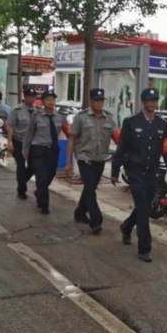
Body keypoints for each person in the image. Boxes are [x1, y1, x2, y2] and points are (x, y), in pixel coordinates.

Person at [111, 87, 167, 262]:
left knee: (145, 208)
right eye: (150, 100)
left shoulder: (162, 125)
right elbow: (121, 148)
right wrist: (115, 171)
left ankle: (126, 227)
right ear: (143, 102)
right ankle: (144, 248)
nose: (153, 103)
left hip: (151, 173)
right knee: (142, 210)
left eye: (155, 100)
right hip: (135, 172)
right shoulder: (131, 123)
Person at [66, 88, 119, 234]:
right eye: (96, 100)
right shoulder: (81, 117)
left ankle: (79, 212)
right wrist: (68, 161)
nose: (99, 103)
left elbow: (117, 136)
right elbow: (72, 139)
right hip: (84, 158)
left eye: (101, 100)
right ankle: (96, 220)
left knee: (90, 188)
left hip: (100, 159)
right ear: (91, 101)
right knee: (90, 188)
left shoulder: (109, 118)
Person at [23, 90, 67, 215]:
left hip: (53, 149)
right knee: (41, 176)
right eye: (48, 99)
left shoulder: (60, 117)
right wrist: (25, 150)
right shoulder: (36, 116)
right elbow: (29, 134)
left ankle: (40, 192)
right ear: (42, 102)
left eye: (52, 99)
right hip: (39, 149)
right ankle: (44, 205)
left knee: (51, 174)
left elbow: (69, 131)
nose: (50, 102)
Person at [6, 86, 40, 199]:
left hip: (33, 143)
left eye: (33, 96)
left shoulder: (38, 111)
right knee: (20, 166)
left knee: (33, 166)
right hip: (19, 140)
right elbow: (11, 127)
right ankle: (22, 189)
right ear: (24, 97)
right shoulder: (16, 110)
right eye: (29, 96)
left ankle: (22, 181)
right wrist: (10, 142)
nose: (31, 99)